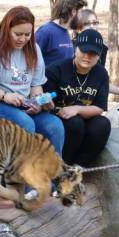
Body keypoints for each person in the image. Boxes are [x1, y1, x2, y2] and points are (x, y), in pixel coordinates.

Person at [0, 6, 64, 154]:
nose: (23, 39)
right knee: (23, 123)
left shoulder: (34, 49)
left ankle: (54, 174)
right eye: (18, 34)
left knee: (54, 125)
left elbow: (36, 85)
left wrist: (38, 101)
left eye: (27, 34)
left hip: (19, 105)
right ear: (6, 29)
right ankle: (21, 175)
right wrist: (5, 96)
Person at [44, 29, 111, 166]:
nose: (87, 56)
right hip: (59, 117)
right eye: (84, 51)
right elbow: (47, 105)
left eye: (93, 53)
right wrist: (58, 110)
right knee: (75, 123)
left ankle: (80, 167)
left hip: (84, 116)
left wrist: (78, 109)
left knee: (102, 124)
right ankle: (63, 166)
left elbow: (100, 107)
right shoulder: (56, 70)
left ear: (99, 55)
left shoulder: (101, 73)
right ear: (76, 49)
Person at [72, 9, 119, 96]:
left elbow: (98, 80)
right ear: (78, 28)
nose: (92, 26)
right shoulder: (71, 46)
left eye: (95, 23)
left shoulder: (102, 48)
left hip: (91, 98)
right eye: (87, 24)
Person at [35, 0, 87, 68]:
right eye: (80, 13)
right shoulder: (45, 32)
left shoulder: (65, 32)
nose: (81, 17)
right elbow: (29, 60)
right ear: (73, 12)